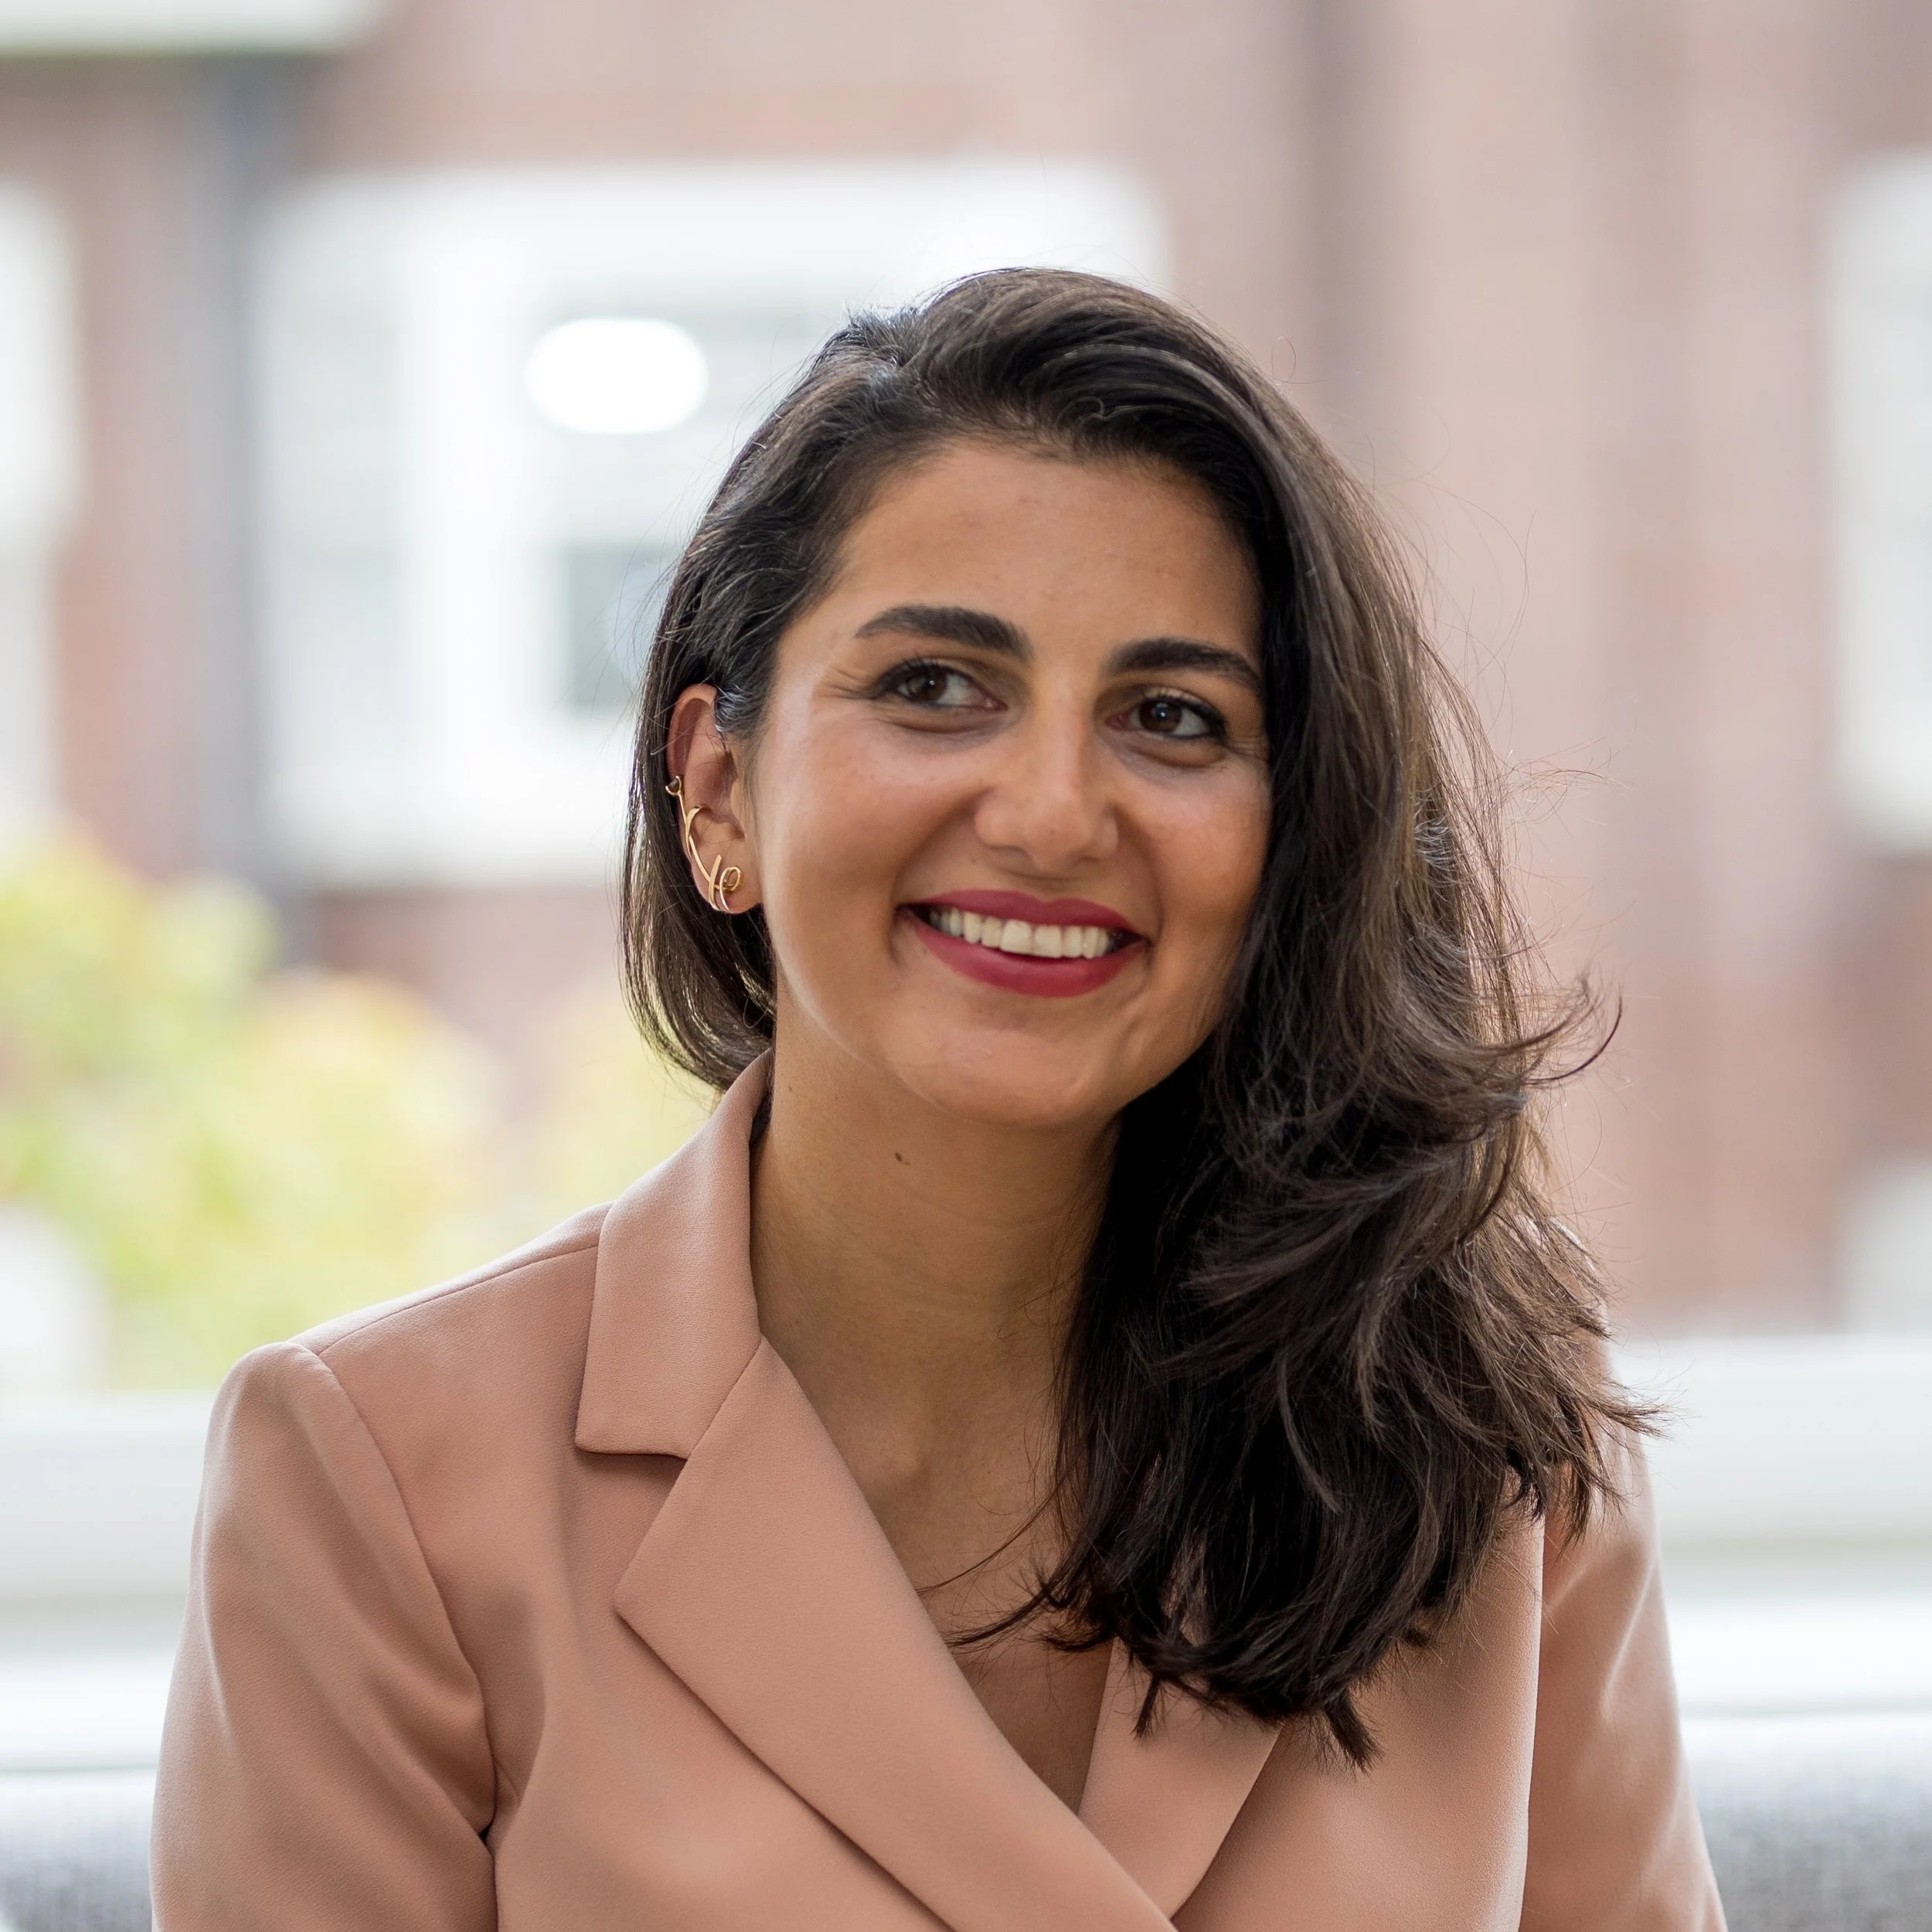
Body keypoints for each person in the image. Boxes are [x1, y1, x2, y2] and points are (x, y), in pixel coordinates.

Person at [151, 268, 1724, 1930]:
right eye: (932, 687)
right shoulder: (375, 1480)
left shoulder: (1480, 1439)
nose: (1051, 812)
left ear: (1289, 841)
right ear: (716, 789)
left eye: (1171, 718)